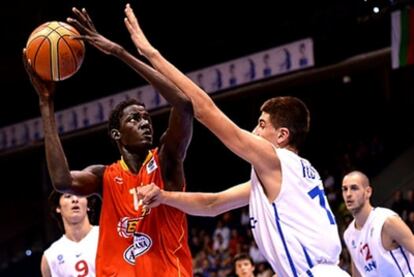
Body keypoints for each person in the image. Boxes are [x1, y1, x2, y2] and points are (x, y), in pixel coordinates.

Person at [123, 4, 349, 276]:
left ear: (282, 135)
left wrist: (151, 54)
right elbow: (212, 204)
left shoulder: (275, 159)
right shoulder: (289, 174)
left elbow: (205, 110)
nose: (254, 131)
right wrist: (164, 196)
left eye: (262, 125)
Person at [23, 7, 194, 276]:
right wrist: (46, 103)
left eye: (146, 118)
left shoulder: (166, 162)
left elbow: (183, 105)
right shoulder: (105, 176)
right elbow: (62, 181)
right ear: (116, 134)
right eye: (134, 120)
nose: (145, 123)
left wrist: (119, 52)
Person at [341, 171, 414, 276]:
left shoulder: (387, 221)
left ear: (368, 192)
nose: (348, 194)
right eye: (344, 189)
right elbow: (358, 272)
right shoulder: (348, 235)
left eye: (354, 188)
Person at [41, 191, 99, 277]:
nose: (75, 199)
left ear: (88, 206)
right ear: (58, 208)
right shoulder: (51, 256)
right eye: (68, 196)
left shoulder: (105, 236)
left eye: (80, 195)